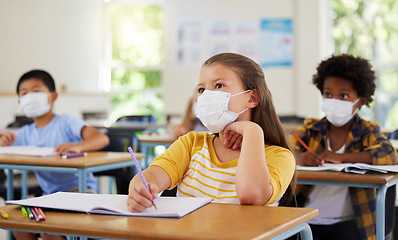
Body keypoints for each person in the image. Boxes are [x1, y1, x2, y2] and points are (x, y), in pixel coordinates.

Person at [127, 52, 296, 212]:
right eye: (202, 89)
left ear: (251, 98)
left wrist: (252, 131)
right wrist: (140, 189)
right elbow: (152, 176)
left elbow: (251, 195)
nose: (207, 95)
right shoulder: (191, 143)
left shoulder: (280, 156)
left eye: (218, 85)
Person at [289, 54, 398, 240]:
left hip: (349, 223)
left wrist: (343, 158)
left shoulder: (367, 131)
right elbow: (283, 149)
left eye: (344, 95)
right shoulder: (312, 128)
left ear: (361, 102)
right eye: (328, 94)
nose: (334, 101)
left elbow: (389, 155)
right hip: (307, 219)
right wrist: (299, 157)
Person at [0, 69, 110, 240]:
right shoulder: (25, 133)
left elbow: (101, 138)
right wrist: (3, 141)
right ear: (19, 101)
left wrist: (78, 146)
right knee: (14, 220)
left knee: (48, 230)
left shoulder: (66, 122)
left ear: (53, 96)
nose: (30, 96)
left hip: (80, 192)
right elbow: (6, 146)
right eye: (24, 93)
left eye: (36, 91)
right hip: (49, 197)